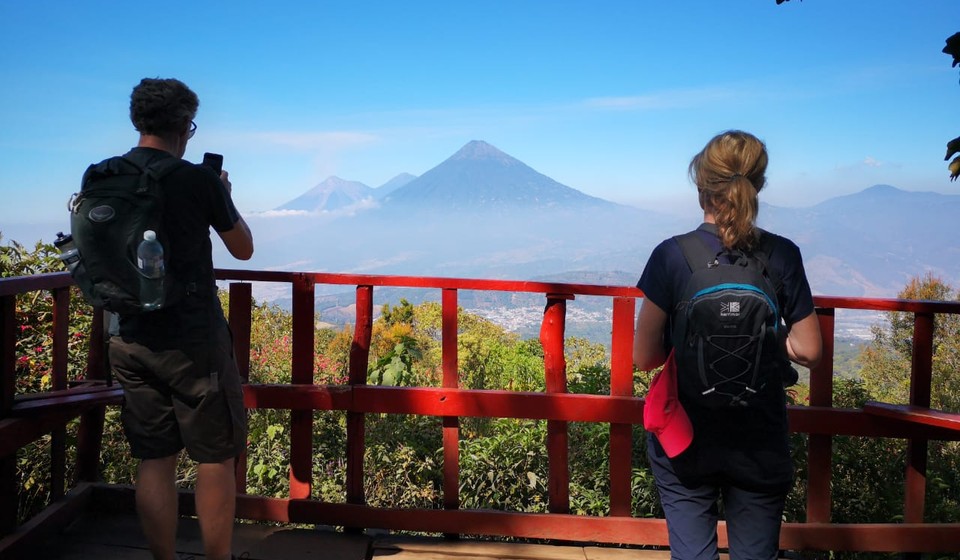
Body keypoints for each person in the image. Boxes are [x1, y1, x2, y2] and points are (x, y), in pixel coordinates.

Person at [633, 130, 822, 560]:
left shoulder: (671, 255)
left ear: (701, 186)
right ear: (759, 185)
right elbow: (810, 351)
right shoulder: (782, 255)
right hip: (759, 438)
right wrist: (771, 336)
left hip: (687, 439)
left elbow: (644, 359)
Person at [102, 78, 254, 560]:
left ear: (137, 121)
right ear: (186, 127)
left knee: (154, 457)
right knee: (214, 457)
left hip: (129, 335)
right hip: (191, 340)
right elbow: (243, 248)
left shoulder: (102, 174)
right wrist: (222, 194)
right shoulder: (197, 178)